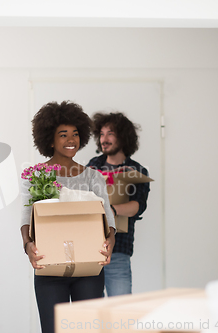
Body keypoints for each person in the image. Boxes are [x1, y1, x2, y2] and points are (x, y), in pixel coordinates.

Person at [20, 101, 116, 333]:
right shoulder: (35, 177)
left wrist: (109, 243)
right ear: (50, 140)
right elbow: (26, 219)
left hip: (89, 270)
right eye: (63, 135)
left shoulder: (93, 177)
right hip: (49, 269)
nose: (71, 140)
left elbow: (109, 222)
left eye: (75, 134)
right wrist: (28, 246)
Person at [86, 112, 150, 297]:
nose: (104, 139)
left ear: (123, 137)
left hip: (119, 250)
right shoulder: (92, 167)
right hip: (89, 248)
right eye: (102, 134)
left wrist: (111, 210)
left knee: (120, 313)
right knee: (91, 312)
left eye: (110, 133)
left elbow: (138, 206)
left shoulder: (136, 170)